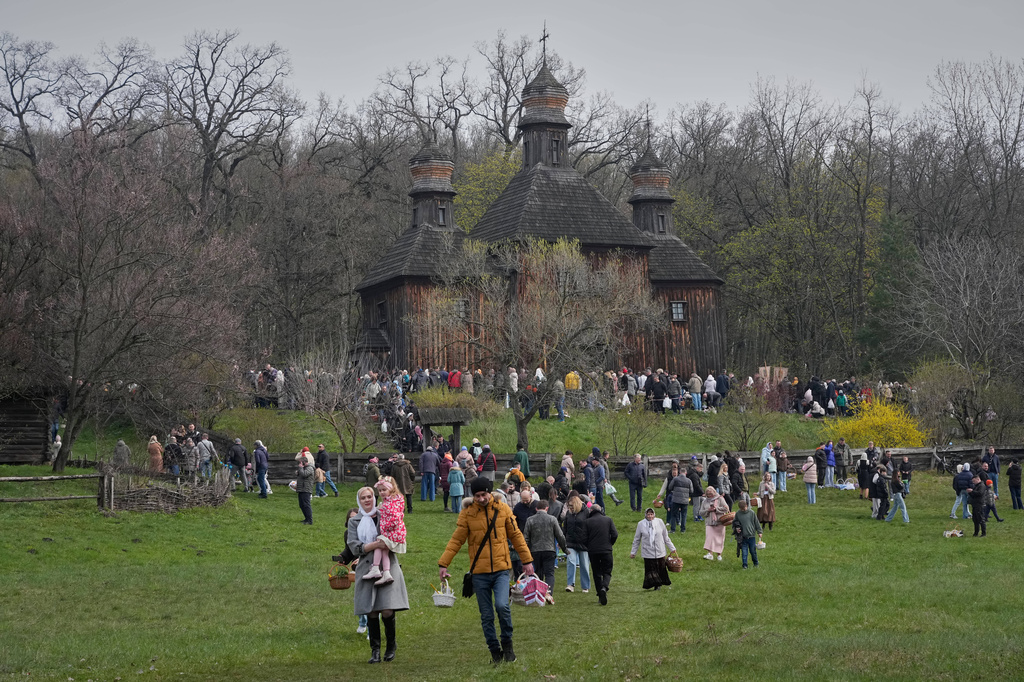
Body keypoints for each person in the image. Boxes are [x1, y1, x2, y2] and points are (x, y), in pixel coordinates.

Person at [438, 477, 534, 665]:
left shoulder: (503, 509)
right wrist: (444, 563)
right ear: (472, 496)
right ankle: (495, 652)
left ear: (490, 493)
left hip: (501, 570)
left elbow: (516, 535)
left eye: (484, 494)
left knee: (502, 606)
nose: (481, 499)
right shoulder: (467, 514)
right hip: (479, 573)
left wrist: (527, 560)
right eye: (477, 495)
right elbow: (456, 540)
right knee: (487, 615)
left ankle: (508, 645)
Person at [349, 486, 410, 663]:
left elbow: (398, 536)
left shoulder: (385, 514)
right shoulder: (355, 521)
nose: (367, 500)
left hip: (387, 566)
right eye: (363, 498)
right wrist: (375, 545)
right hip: (366, 568)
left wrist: (387, 543)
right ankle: (375, 650)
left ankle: (391, 645)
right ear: (359, 501)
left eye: (369, 497)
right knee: (372, 610)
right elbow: (354, 546)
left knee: (388, 608)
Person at [362, 476, 407, 586]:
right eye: (380, 490)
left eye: (384, 490)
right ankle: (386, 573)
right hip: (397, 532)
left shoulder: (391, 503)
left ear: (391, 489)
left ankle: (376, 567)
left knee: (378, 543)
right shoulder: (394, 500)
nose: (381, 492)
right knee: (384, 551)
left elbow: (395, 518)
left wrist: (385, 526)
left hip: (393, 533)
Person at [523, 499, 567, 602]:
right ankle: (548, 594)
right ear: (547, 508)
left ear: (536, 508)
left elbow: (525, 538)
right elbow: (560, 535)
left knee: (537, 573)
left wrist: (526, 551)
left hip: (535, 550)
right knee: (549, 573)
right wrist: (564, 548)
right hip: (549, 549)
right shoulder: (552, 519)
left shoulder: (530, 520)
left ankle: (538, 595)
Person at [630, 507, 676, 590]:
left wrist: (672, 548)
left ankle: (659, 584)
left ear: (654, 514)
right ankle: (654, 584)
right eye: (648, 514)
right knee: (651, 568)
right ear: (645, 515)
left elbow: (665, 536)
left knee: (660, 567)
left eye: (651, 514)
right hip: (647, 551)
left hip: (660, 550)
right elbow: (637, 539)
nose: (650, 516)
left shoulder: (660, 522)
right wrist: (633, 552)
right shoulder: (641, 524)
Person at [585, 504, 618, 605]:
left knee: (596, 573)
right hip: (606, 550)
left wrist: (589, 546)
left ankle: (600, 595)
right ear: (601, 510)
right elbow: (615, 534)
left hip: (593, 551)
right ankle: (604, 587)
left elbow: (583, 537)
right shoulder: (608, 520)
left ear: (591, 511)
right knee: (607, 571)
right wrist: (610, 543)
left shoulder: (587, 522)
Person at [562, 492, 591, 594]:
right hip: (570, 541)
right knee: (571, 562)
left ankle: (585, 586)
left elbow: (590, 527)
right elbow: (565, 527)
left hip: (584, 543)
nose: (569, 508)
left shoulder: (586, 512)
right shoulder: (568, 514)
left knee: (584, 565)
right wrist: (563, 539)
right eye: (569, 506)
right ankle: (570, 584)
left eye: (571, 506)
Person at [698, 486, 729, 561]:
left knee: (719, 539)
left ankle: (719, 555)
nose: (710, 496)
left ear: (714, 493)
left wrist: (716, 509)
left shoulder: (720, 499)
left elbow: (726, 508)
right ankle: (710, 554)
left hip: (719, 522)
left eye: (711, 494)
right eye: (708, 494)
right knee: (709, 537)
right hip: (709, 522)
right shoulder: (704, 501)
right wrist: (708, 510)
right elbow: (700, 512)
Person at [733, 499, 763, 569]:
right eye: (741, 509)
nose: (743, 510)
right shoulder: (738, 514)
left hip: (751, 536)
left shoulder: (751, 513)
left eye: (744, 508)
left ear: (747, 506)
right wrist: (737, 528)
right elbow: (735, 523)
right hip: (743, 537)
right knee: (744, 552)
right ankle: (745, 565)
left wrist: (759, 531)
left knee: (753, 551)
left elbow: (756, 522)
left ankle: (756, 563)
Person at [666, 466, 692, 533]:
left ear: (680, 472)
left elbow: (670, 487)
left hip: (676, 499)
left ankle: (673, 529)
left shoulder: (675, 479)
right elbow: (691, 490)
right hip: (685, 500)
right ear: (685, 473)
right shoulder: (689, 481)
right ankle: (683, 529)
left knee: (674, 514)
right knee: (684, 515)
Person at [296, 454, 314, 525]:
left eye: (300, 462)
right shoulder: (304, 468)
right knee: (301, 505)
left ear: (304, 462)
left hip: (306, 488)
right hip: (301, 488)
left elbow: (304, 474)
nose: (299, 464)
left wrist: (300, 468)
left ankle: (310, 520)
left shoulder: (310, 468)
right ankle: (306, 518)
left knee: (306, 505)